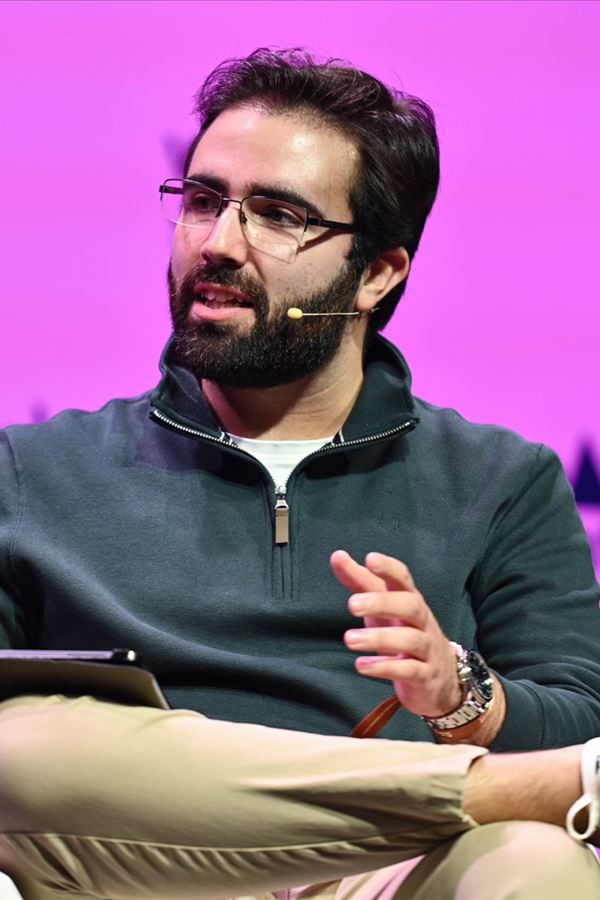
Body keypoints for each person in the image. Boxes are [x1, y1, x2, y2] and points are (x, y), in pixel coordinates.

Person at [0, 48, 599, 900]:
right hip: (123, 865)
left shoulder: (501, 480)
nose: (219, 243)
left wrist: (463, 696)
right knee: (18, 745)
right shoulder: (29, 470)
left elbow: (585, 725)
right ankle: (470, 791)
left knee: (541, 864)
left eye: (278, 216)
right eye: (203, 201)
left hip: (381, 871)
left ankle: (463, 798)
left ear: (379, 275)